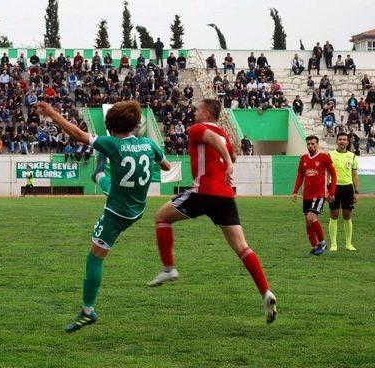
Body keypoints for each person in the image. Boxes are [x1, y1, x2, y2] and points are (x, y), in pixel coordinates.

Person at [36, 100, 171, 332]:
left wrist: (52, 113)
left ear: (110, 126)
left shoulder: (112, 144)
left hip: (117, 212)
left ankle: (87, 312)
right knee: (107, 180)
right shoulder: (149, 144)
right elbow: (166, 166)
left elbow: (78, 135)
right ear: (136, 124)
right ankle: (100, 174)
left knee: (94, 258)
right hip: (138, 208)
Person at [147, 99, 277, 324]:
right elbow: (231, 152)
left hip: (203, 192)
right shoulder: (226, 136)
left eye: (198, 109)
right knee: (242, 247)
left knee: (161, 217)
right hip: (225, 196)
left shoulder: (199, 129)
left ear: (207, 112)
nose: (194, 113)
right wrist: (229, 159)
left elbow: (212, 140)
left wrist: (227, 161)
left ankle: (169, 268)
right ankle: (265, 291)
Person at [291, 136, 337, 256]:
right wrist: (295, 191)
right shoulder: (304, 158)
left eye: (313, 144)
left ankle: (322, 242)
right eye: (308, 144)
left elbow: (333, 174)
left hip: (319, 193)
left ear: (317, 144)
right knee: (307, 221)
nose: (310, 146)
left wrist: (331, 192)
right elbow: (300, 175)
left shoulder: (324, 157)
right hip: (307, 194)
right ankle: (315, 246)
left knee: (312, 218)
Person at [328, 133, 359, 252]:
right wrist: (327, 189)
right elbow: (326, 173)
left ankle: (348, 244)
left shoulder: (352, 156)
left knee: (347, 215)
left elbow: (355, 175)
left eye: (344, 139)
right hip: (334, 187)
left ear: (348, 142)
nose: (342, 141)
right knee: (334, 214)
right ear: (336, 141)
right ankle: (334, 244)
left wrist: (356, 192)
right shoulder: (330, 155)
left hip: (347, 188)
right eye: (340, 139)